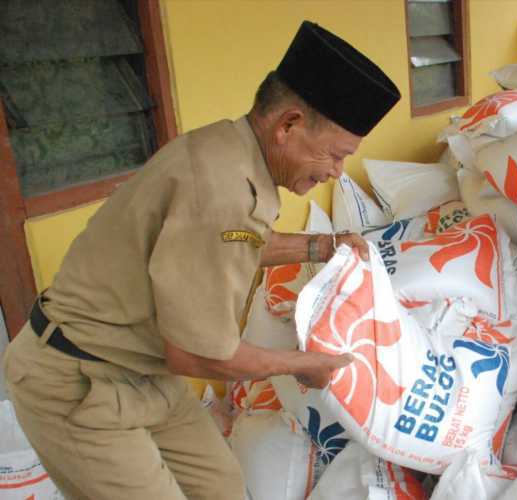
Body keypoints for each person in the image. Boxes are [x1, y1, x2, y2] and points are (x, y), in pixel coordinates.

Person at [2, 20, 400, 500]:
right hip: (77, 379)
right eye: (335, 155)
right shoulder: (220, 190)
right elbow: (198, 354)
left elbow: (232, 245)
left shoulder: (233, 149)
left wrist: (322, 247)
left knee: (222, 487)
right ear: (289, 125)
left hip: (145, 371)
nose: (336, 172)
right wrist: (304, 363)